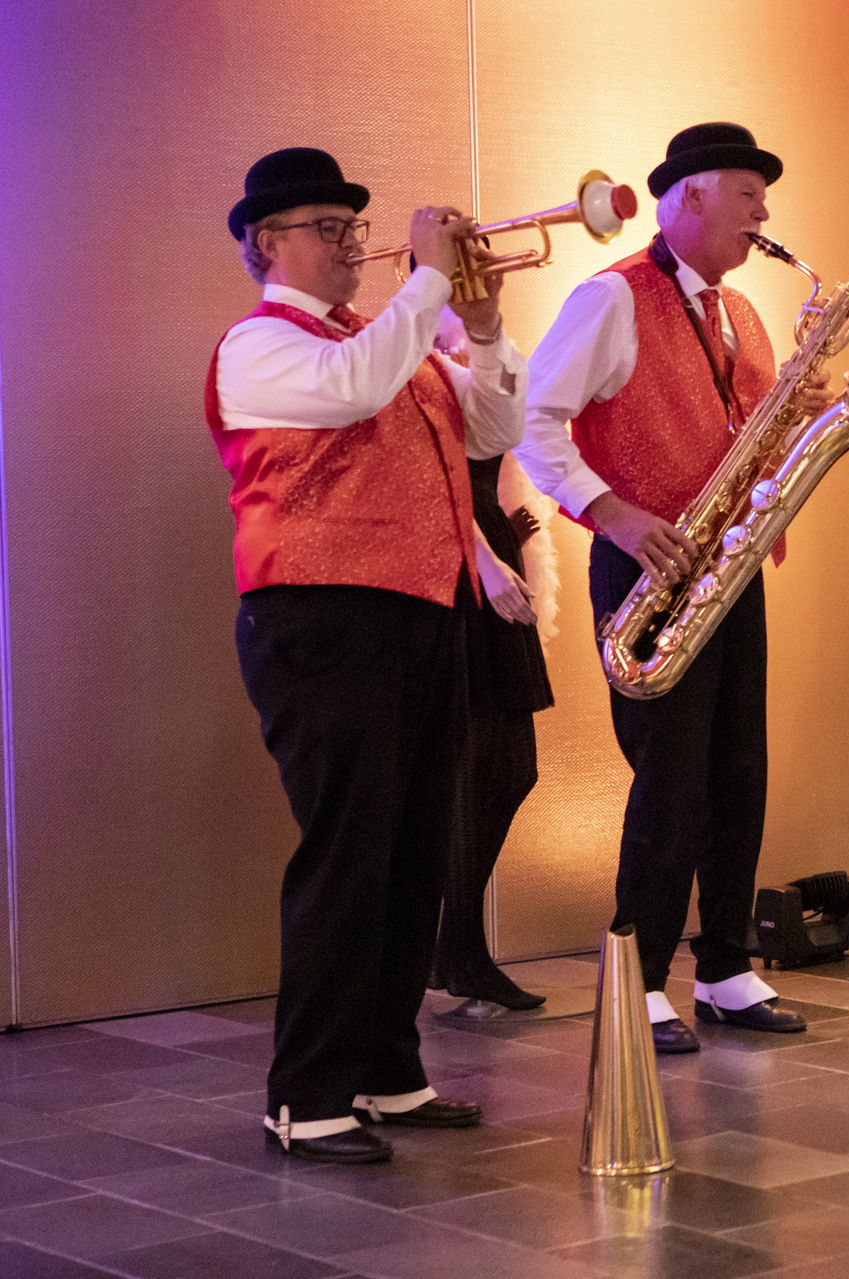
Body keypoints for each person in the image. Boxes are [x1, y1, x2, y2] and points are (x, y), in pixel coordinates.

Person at [211, 147, 526, 1162]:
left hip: (419, 616)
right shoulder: (259, 346)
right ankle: (305, 1095)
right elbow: (350, 391)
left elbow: (490, 429)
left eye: (356, 225)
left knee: (412, 851)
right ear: (267, 242)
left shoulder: (391, 341)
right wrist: (429, 279)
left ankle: (388, 1071)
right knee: (348, 854)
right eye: (328, 228)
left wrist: (480, 328)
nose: (354, 242)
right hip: (320, 620)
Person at [518, 122, 826, 1054]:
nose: (764, 212)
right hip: (649, 566)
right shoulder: (611, 298)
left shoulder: (743, 314)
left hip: (731, 569)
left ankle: (726, 967)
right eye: (748, 194)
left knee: (739, 771)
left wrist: (796, 419)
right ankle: (641, 976)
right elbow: (538, 419)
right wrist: (610, 512)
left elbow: (742, 435)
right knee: (671, 777)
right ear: (688, 195)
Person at [429, 309, 556, 1012]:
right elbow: (431, 475)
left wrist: (486, 331)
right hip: (460, 565)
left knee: (507, 765)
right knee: (480, 764)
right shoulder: (413, 362)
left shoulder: (469, 359)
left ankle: (454, 945)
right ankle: (462, 950)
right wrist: (482, 553)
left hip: (485, 549)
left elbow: (505, 428)